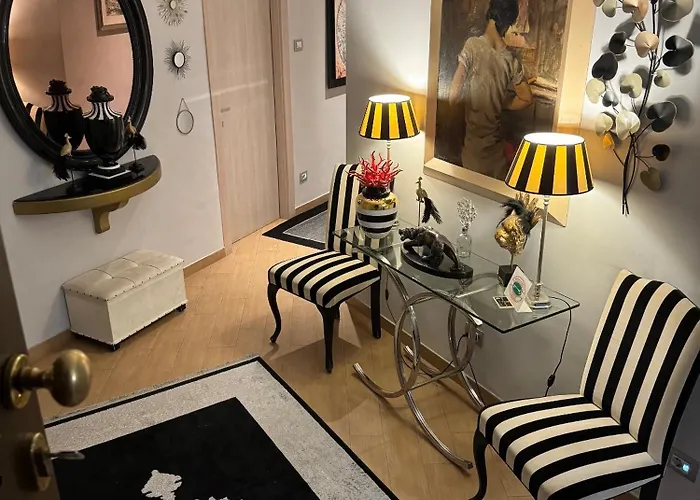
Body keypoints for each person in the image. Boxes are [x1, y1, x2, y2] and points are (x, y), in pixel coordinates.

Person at [449, 0, 533, 180]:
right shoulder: (510, 59)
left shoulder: (472, 46)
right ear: (509, 22)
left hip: (473, 152)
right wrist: (499, 102)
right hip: (497, 157)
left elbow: (453, 97)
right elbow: (526, 99)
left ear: (490, 13)